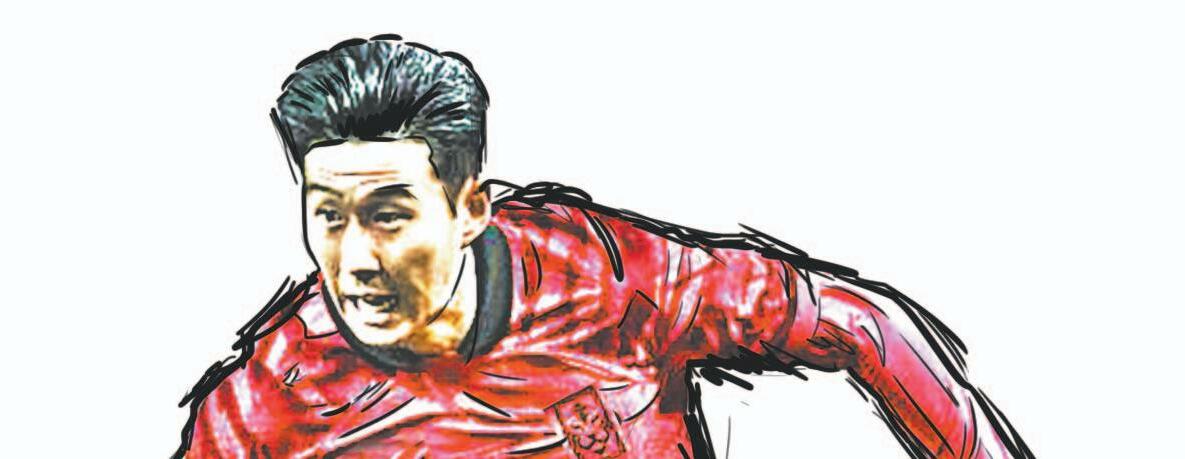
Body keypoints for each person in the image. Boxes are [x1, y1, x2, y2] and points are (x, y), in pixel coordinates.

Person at [174, 36, 1032, 459]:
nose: (354, 257)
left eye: (390, 214)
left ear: (469, 208)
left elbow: (855, 324)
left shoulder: (606, 278)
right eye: (328, 215)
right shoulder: (264, 406)